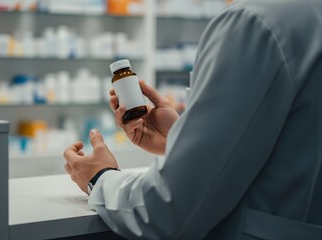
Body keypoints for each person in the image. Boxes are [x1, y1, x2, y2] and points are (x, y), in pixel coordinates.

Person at [63, 0, 322, 239]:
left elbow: (172, 208)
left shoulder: (252, 21)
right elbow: (294, 143)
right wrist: (181, 140)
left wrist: (100, 178)